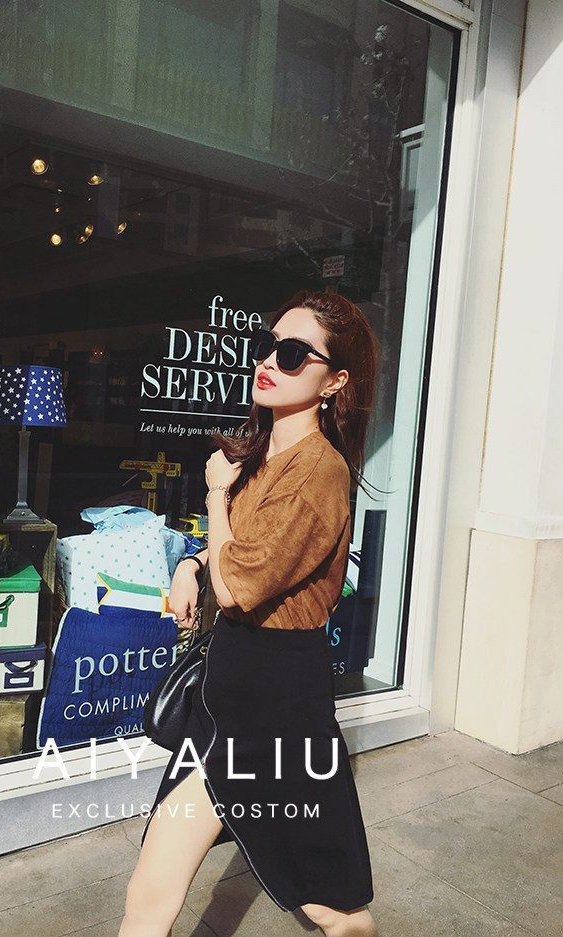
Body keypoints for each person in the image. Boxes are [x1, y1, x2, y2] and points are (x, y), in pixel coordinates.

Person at [118, 291, 379, 937]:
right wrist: (191, 563)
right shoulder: (266, 455)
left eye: (292, 354)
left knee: (328, 904)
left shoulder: (317, 470)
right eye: (266, 345)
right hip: (232, 687)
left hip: (275, 702)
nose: (268, 360)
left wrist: (215, 494)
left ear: (334, 381)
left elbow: (238, 586)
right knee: (153, 884)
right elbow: (245, 548)